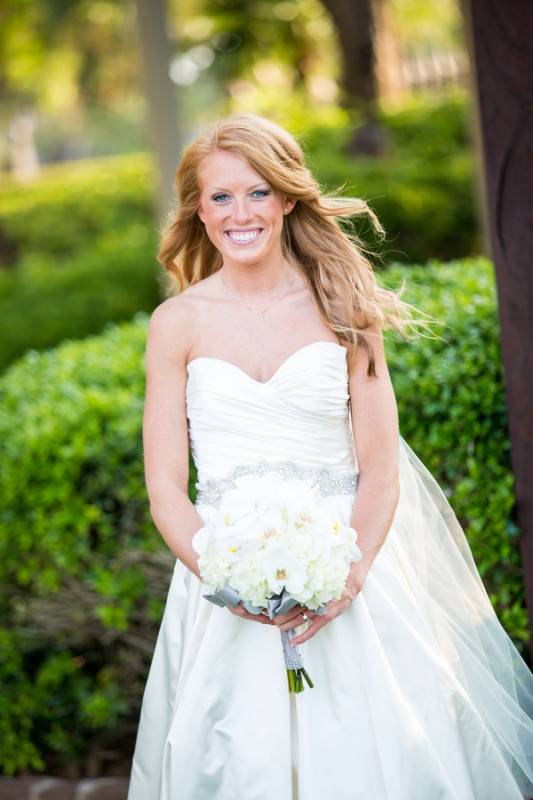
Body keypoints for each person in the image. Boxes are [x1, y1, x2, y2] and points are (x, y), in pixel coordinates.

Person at [127, 113, 533, 800]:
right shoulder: (177, 325)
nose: (240, 213)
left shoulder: (343, 308)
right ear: (198, 208)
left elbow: (379, 465)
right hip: (222, 586)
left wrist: (347, 575)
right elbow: (166, 485)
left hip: (352, 573)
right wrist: (223, 577)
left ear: (288, 197)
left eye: (257, 192)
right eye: (220, 196)